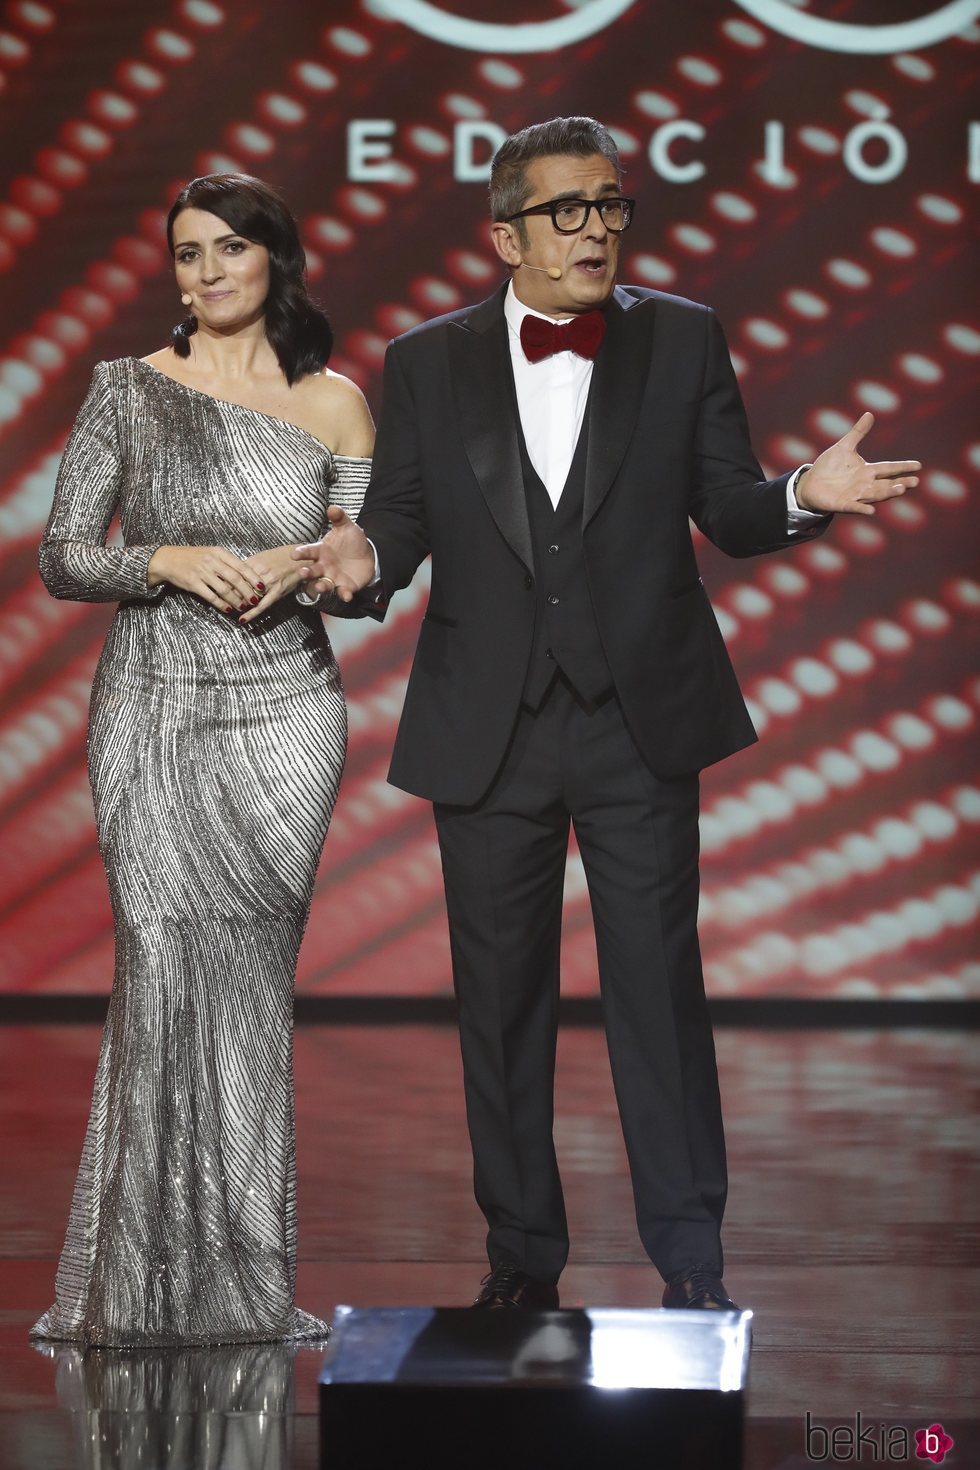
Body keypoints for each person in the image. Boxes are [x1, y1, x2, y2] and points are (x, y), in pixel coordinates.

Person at [294, 117, 920, 1312]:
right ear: (504, 233)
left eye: (609, 205)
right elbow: (405, 524)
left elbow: (728, 507)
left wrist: (805, 494)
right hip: (490, 725)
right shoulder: (428, 361)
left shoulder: (682, 339)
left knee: (657, 990)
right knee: (499, 1004)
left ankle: (690, 1264)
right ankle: (521, 1266)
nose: (594, 230)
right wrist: (356, 561)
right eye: (567, 210)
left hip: (640, 718)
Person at [32, 173, 374, 1346]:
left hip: (286, 716)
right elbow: (66, 555)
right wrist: (169, 557)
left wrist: (320, 564)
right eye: (188, 254)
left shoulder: (337, 405)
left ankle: (239, 1285)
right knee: (163, 969)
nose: (209, 271)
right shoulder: (127, 391)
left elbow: (365, 575)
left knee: (248, 993)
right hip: (155, 708)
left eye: (231, 248)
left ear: (277, 259)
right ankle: (136, 1285)